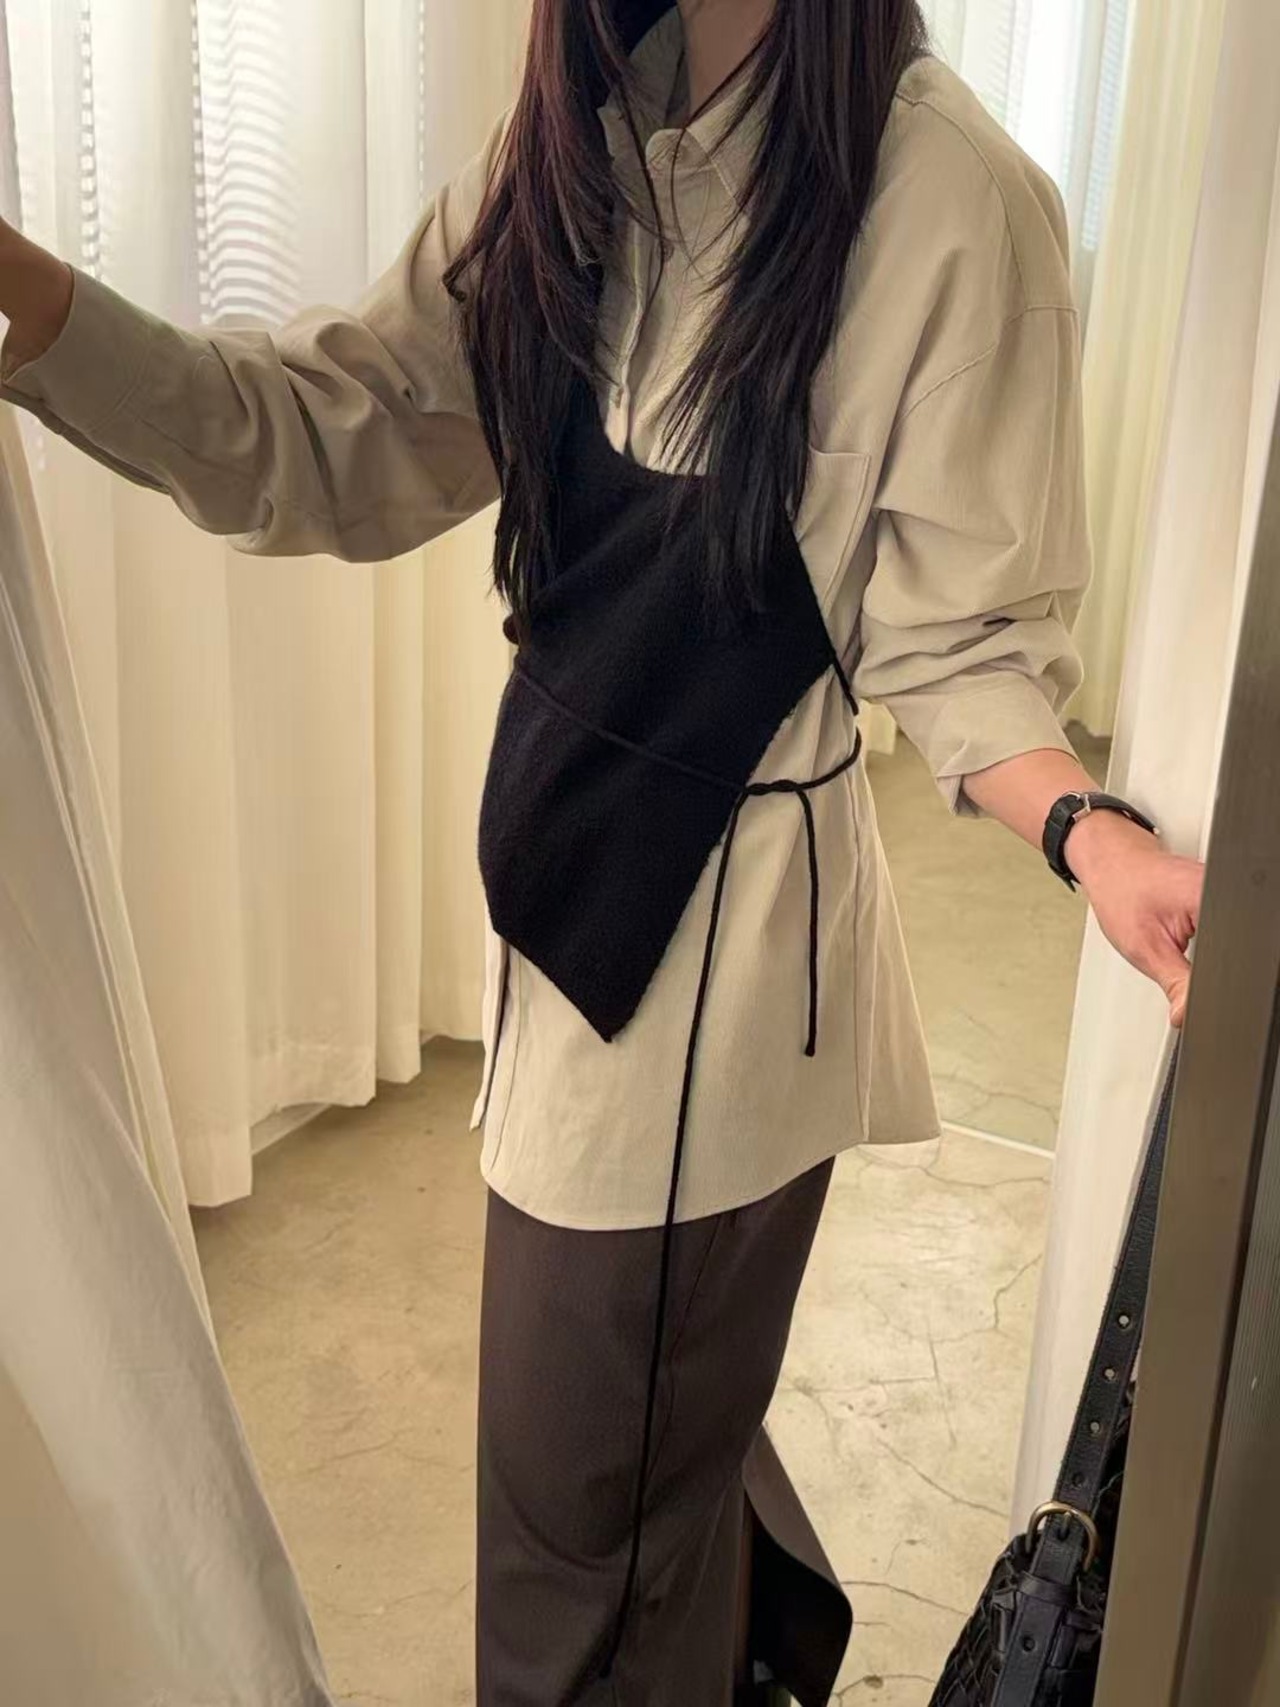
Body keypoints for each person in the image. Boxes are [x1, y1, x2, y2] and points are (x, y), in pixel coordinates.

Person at [0, 1, 1204, 1701]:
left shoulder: (950, 197)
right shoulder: (570, 150)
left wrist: (1092, 836)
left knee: (575, 1543)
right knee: (645, 1474)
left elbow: (959, 641)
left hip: (711, 993)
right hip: (566, 913)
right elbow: (320, 434)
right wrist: (33, 300)